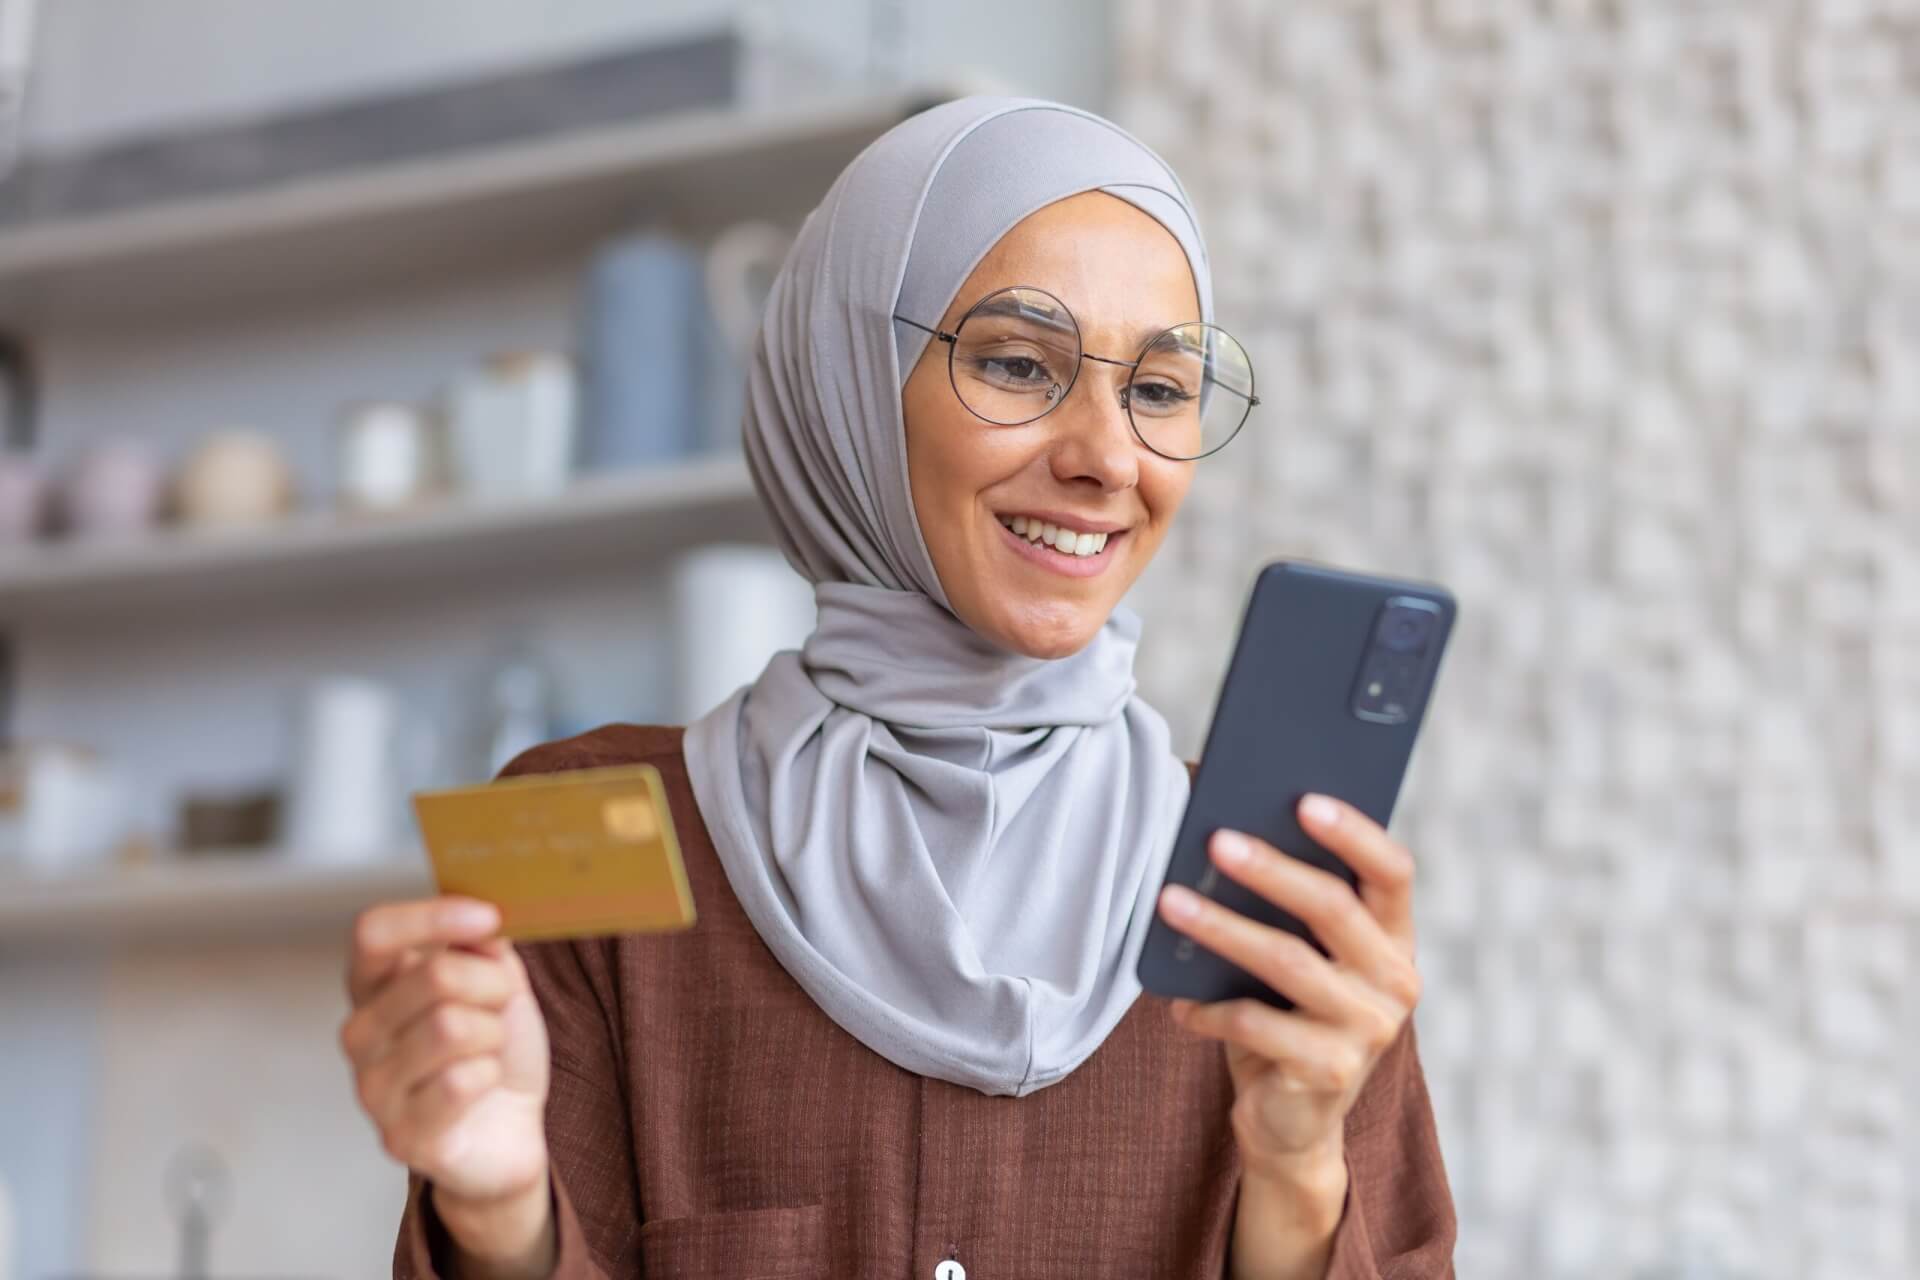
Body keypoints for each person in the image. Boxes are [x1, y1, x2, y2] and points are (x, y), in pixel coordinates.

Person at [339, 96, 1456, 1279]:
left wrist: (1296, 1180)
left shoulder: (1269, 896)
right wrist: (504, 1217)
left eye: (1161, 390)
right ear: (852, 382)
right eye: (1021, 363)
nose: (1106, 456)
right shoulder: (575, 824)